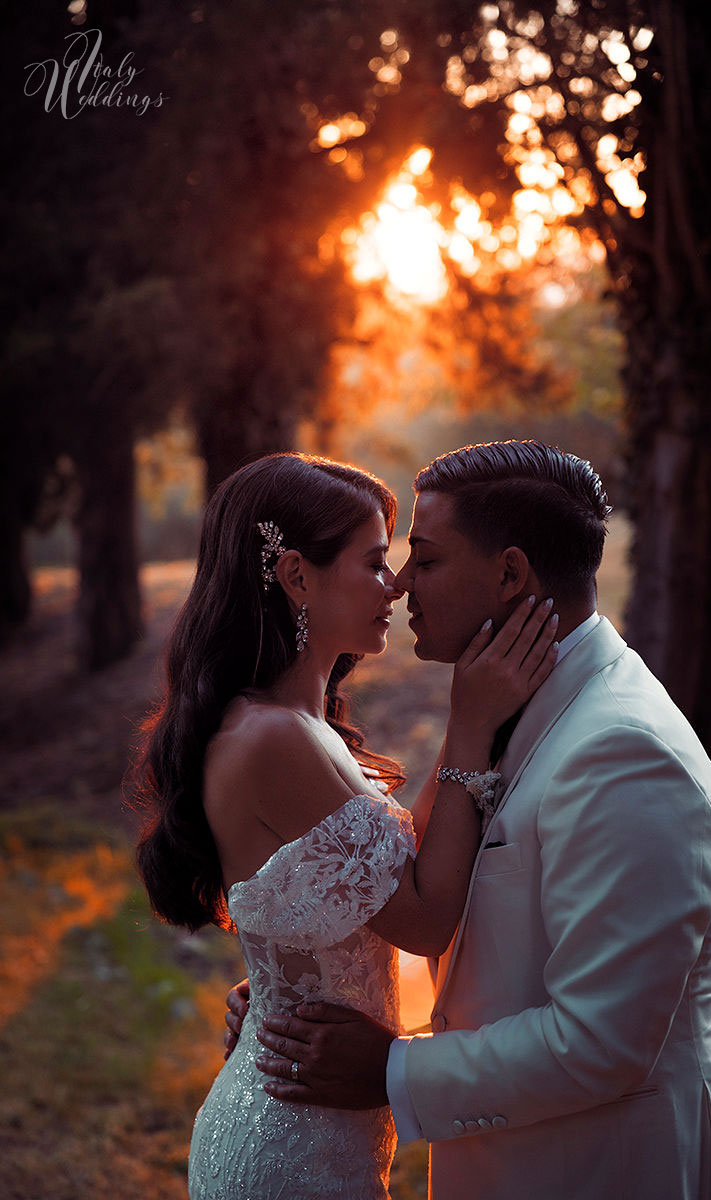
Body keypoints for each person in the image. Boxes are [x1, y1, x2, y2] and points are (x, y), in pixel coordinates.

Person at [227, 440, 711, 1200]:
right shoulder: (508, 706)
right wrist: (307, 991)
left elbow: (601, 1041)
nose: (401, 585)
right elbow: (500, 951)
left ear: (509, 574)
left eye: (425, 560)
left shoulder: (625, 754)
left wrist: (386, 1069)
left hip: (602, 1171)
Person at [132, 451, 558, 1200]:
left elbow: (397, 861)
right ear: (297, 576)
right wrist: (470, 721)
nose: (394, 584)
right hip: (291, 1148)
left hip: (310, 1123)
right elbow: (423, 919)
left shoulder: (301, 726)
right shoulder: (273, 739)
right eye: (372, 562)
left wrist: (272, 991)